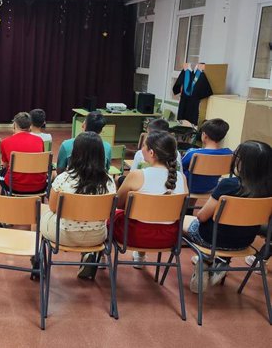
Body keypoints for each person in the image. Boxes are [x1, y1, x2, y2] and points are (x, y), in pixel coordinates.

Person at [183, 140, 272, 293]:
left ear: (241, 162)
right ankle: (219, 261)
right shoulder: (268, 189)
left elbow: (202, 217)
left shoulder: (229, 185)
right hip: (245, 242)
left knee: (181, 220)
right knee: (233, 228)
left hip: (210, 240)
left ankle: (205, 260)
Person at [40, 132, 117, 279]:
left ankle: (37, 260)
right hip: (97, 236)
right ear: (101, 154)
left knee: (41, 213)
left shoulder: (63, 179)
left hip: (64, 234)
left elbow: (53, 208)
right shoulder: (109, 181)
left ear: (75, 153)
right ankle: (88, 254)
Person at [111, 131, 188, 267]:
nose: (142, 149)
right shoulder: (181, 178)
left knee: (111, 217)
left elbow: (119, 203)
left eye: (144, 146)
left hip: (135, 236)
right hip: (169, 238)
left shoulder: (137, 175)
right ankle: (140, 256)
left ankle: (99, 259)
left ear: (151, 153)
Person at [0, 112, 46, 195]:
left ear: (14, 125)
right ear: (30, 126)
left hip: (14, 186)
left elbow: (5, 165)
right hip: (39, 185)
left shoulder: (5, 142)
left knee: (0, 173)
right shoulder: (39, 140)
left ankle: (5, 201)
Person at [181, 118, 232, 194]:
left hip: (189, 187)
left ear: (204, 135)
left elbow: (180, 166)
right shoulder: (229, 153)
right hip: (212, 187)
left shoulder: (193, 153)